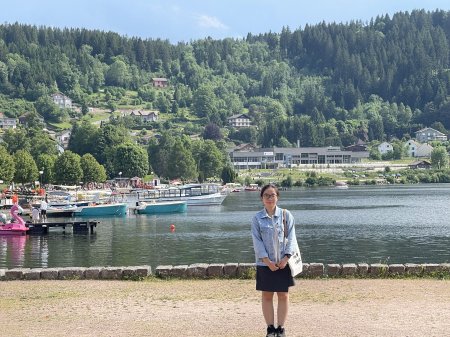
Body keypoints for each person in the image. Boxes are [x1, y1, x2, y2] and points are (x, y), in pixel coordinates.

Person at [251, 184, 298, 337]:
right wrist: (267, 261)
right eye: (266, 195)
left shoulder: (286, 215)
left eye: (272, 195)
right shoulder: (257, 218)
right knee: (267, 295)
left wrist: (286, 258)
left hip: (284, 262)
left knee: (283, 295)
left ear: (277, 197)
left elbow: (292, 239)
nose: (270, 198)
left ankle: (281, 328)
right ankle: (270, 329)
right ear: (262, 198)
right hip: (265, 264)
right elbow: (257, 242)